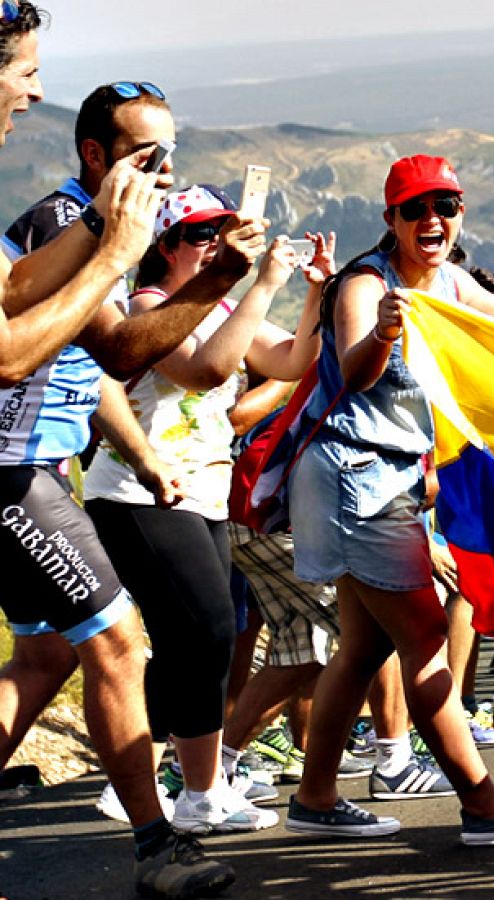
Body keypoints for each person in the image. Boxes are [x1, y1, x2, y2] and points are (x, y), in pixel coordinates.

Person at [0, 62, 268, 894]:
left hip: (37, 467)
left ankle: (162, 840)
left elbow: (90, 377)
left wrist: (145, 454)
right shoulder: (67, 221)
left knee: (45, 660)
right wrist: (222, 278)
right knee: (117, 640)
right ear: (95, 153)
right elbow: (119, 348)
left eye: (171, 155)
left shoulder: (96, 217)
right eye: (149, 157)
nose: (167, 175)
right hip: (13, 473)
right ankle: (159, 849)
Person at [284, 154, 494, 844]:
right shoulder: (366, 285)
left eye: (445, 207)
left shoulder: (449, 279)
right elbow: (360, 372)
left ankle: (314, 797)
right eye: (415, 210)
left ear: (461, 214)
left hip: (375, 478)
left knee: (364, 647)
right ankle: (484, 806)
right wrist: (384, 331)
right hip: (356, 480)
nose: (432, 221)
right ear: (390, 219)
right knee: (424, 640)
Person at [80, 184, 325, 834]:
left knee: (201, 645)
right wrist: (261, 284)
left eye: (222, 233)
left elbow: (294, 359)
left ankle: (184, 788)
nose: (215, 245)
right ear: (165, 247)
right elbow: (209, 372)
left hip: (203, 496)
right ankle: (192, 790)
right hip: (138, 493)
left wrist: (319, 295)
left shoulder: (219, 310)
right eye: (199, 235)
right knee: (209, 630)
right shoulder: (149, 304)